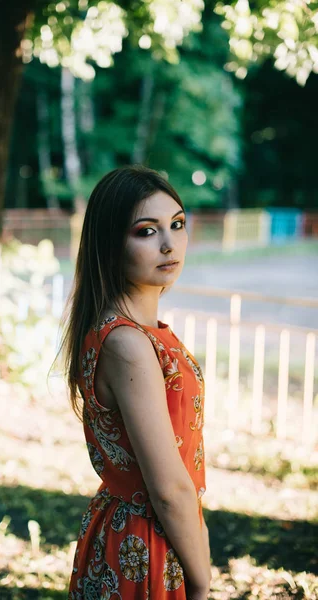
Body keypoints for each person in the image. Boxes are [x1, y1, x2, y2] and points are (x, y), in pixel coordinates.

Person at [57, 165, 211, 599]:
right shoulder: (128, 344)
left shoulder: (128, 331)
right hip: (147, 546)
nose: (169, 244)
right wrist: (202, 583)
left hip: (137, 532)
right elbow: (168, 489)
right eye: (146, 231)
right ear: (111, 243)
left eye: (177, 225)